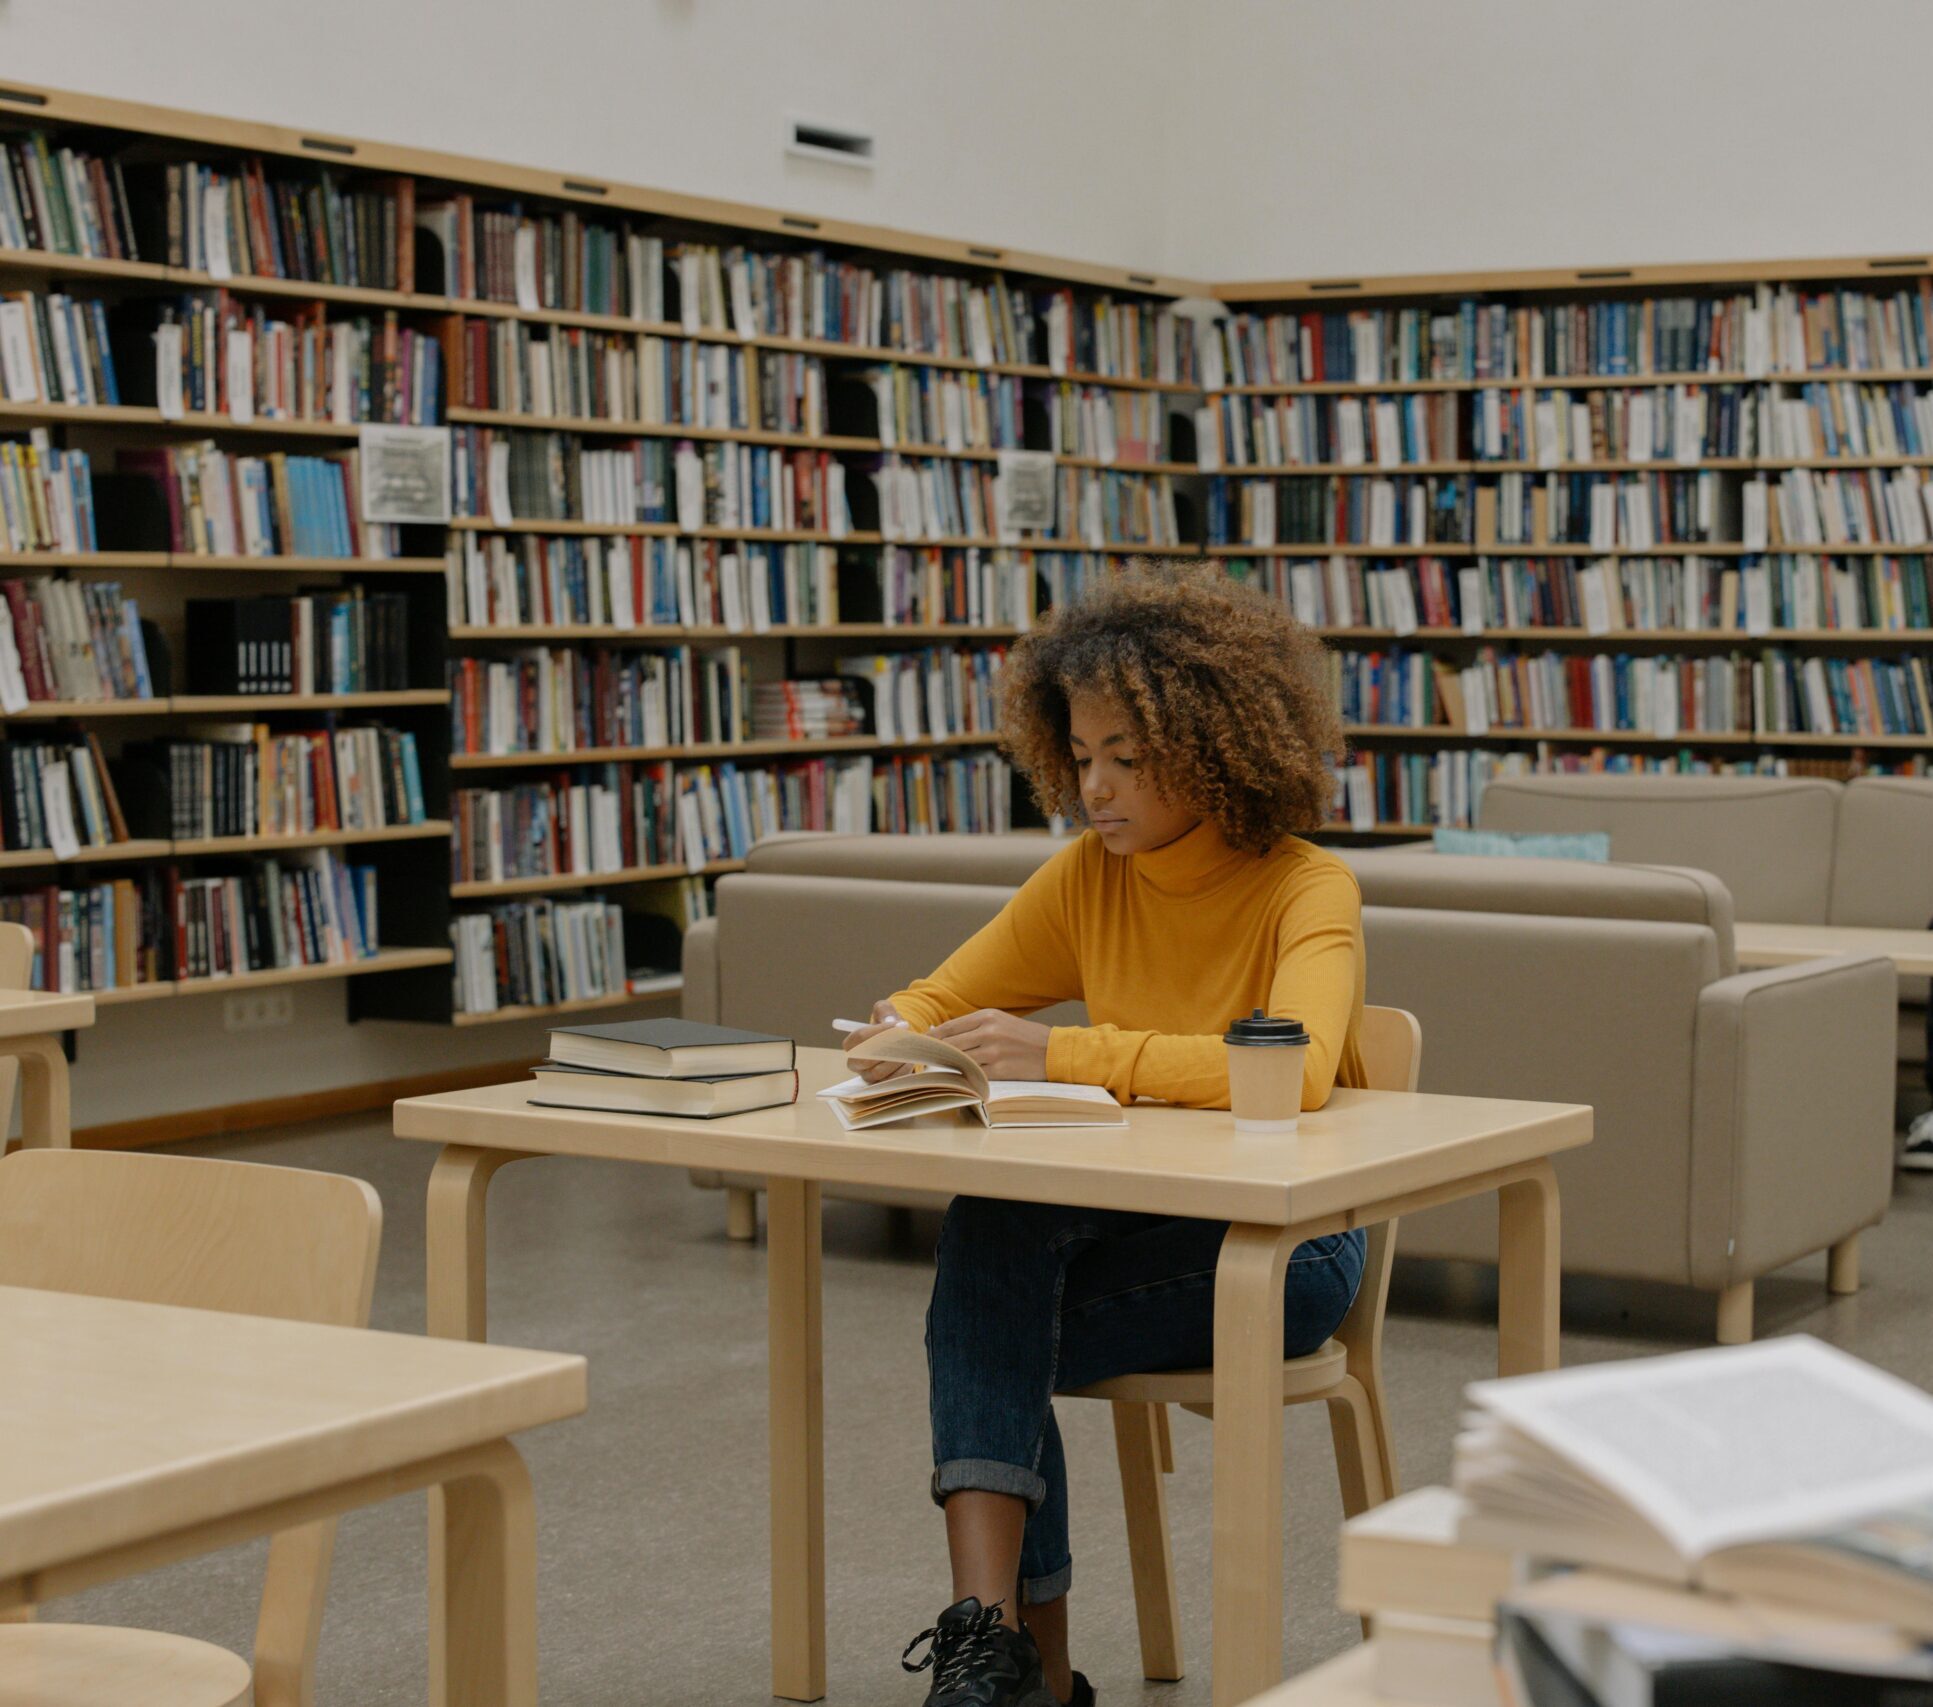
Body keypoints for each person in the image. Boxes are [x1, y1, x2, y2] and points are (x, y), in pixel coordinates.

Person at [846, 561, 1369, 1707]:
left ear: (1218, 744)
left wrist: (1068, 1049)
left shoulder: (1305, 889)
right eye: (1081, 759)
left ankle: (1014, 1676)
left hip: (1284, 1248)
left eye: (1128, 759)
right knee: (994, 1251)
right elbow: (940, 994)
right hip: (1127, 1228)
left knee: (987, 1324)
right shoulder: (1090, 877)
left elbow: (1297, 1070)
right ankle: (992, 1644)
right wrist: (895, 1034)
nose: (1098, 789)